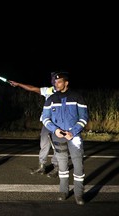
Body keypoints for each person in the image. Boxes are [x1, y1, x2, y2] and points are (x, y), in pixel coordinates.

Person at [41, 71, 88, 205]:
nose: (56, 84)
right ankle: (63, 191)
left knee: (78, 165)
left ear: (66, 83)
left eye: (59, 81)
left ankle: (79, 194)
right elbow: (45, 118)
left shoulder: (77, 97)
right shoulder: (51, 99)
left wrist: (73, 132)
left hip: (74, 137)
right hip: (58, 137)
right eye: (55, 82)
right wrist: (55, 130)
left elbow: (84, 117)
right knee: (62, 165)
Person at [8, 72, 59, 178]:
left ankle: (57, 167)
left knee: (57, 146)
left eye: (56, 79)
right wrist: (18, 84)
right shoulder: (49, 90)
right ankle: (42, 167)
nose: (54, 81)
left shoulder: (67, 93)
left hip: (59, 123)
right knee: (44, 145)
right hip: (47, 123)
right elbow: (32, 88)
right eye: (53, 79)